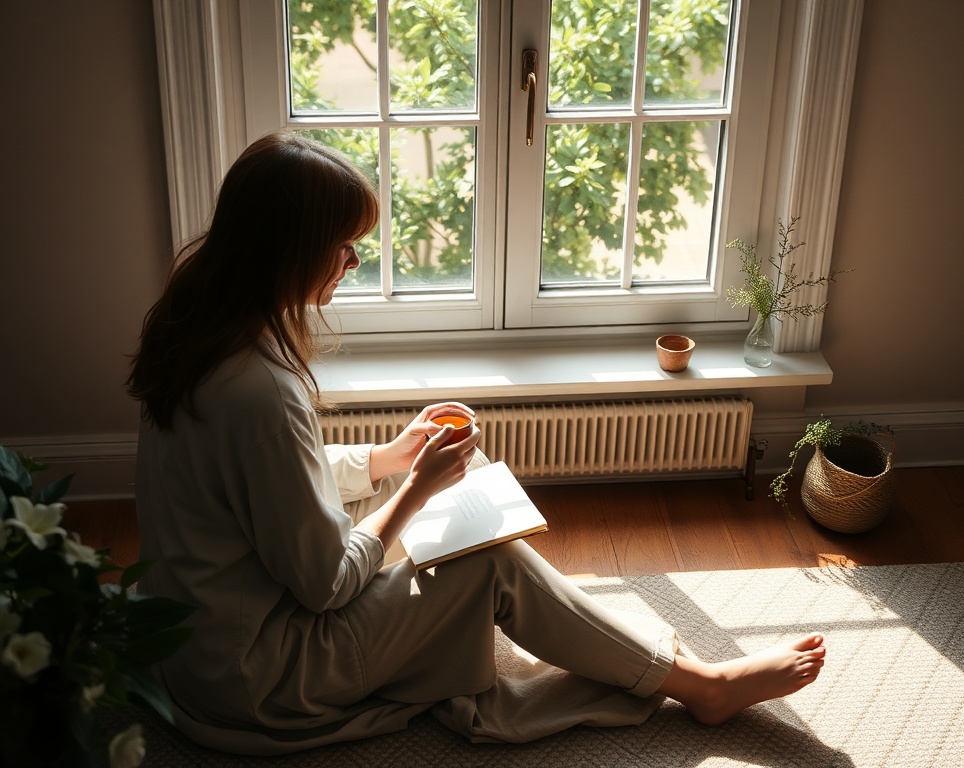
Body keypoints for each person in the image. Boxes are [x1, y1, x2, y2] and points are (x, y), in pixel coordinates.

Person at [126, 130, 825, 756]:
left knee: (460, 490)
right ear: (293, 252)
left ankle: (535, 630)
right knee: (482, 560)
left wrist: (390, 459)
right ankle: (702, 684)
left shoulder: (200, 333)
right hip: (261, 676)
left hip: (203, 650)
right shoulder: (261, 390)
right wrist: (417, 487)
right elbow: (326, 585)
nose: (352, 261)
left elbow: (269, 481)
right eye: (343, 246)